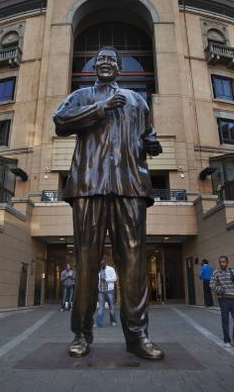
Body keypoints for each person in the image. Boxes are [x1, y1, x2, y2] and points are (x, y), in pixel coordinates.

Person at [53, 46, 164, 359]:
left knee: (134, 265)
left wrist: (150, 143)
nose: (104, 63)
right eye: (99, 59)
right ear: (93, 67)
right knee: (87, 262)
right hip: (89, 184)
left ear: (119, 68)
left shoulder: (136, 100)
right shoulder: (82, 96)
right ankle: (81, 334)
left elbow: (148, 134)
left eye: (110, 60)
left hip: (130, 185)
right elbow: (60, 122)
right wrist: (100, 108)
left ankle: (138, 336)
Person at [210, 256, 234, 350]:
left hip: (233, 299)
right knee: (225, 320)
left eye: (224, 262)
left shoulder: (233, 271)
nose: (222, 264)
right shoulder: (216, 272)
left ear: (227, 262)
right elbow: (211, 284)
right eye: (220, 262)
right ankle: (227, 340)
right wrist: (220, 290)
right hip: (223, 299)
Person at [96, 260, 118, 327]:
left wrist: (106, 279)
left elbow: (115, 278)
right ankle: (99, 323)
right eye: (100, 265)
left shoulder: (111, 269)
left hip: (109, 290)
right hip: (101, 291)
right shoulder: (99, 270)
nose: (101, 266)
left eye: (102, 265)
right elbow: (98, 279)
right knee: (101, 308)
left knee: (111, 307)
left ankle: (113, 321)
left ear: (105, 263)